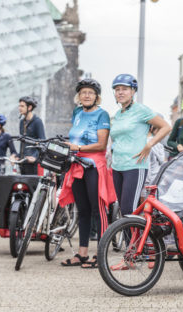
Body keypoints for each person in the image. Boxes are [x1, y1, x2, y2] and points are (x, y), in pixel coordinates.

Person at [59, 78, 117, 268]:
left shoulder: (102, 115)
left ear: (96, 97)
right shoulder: (77, 112)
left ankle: (100, 255)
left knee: (98, 210)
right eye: (83, 92)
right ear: (79, 95)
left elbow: (101, 145)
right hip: (77, 166)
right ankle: (82, 253)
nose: (86, 95)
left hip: (94, 166)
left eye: (90, 93)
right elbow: (74, 136)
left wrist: (79, 147)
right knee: (82, 210)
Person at [110, 74, 171, 219]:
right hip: (117, 166)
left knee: (128, 209)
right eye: (117, 89)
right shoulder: (118, 114)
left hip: (135, 166)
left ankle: (136, 242)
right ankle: (129, 242)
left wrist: (149, 144)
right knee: (122, 211)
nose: (120, 92)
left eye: (124, 89)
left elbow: (166, 127)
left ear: (133, 91)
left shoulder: (141, 110)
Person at [18, 96, 45, 175]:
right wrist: (18, 155)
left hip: (33, 163)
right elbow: (22, 141)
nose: (19, 108)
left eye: (22, 106)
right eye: (19, 106)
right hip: (23, 162)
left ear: (29, 107)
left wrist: (35, 157)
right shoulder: (22, 122)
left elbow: (43, 142)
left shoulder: (37, 122)